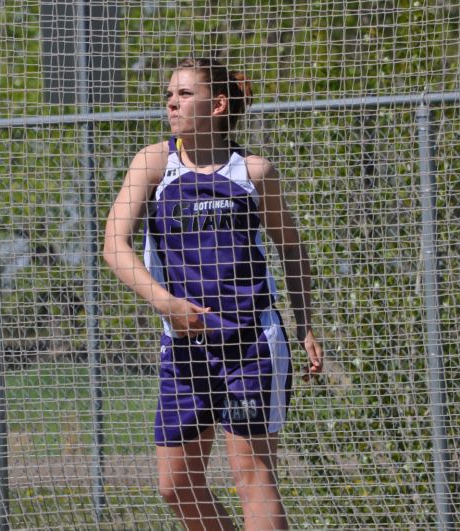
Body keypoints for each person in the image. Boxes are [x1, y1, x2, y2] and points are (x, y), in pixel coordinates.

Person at [103, 57, 323, 530]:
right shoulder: (154, 163)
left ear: (218, 104)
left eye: (184, 93)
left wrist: (304, 326)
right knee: (175, 485)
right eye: (169, 94)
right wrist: (166, 303)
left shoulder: (254, 172)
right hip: (184, 347)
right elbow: (113, 246)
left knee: (252, 477)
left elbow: (294, 252)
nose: (171, 102)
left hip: (250, 345)